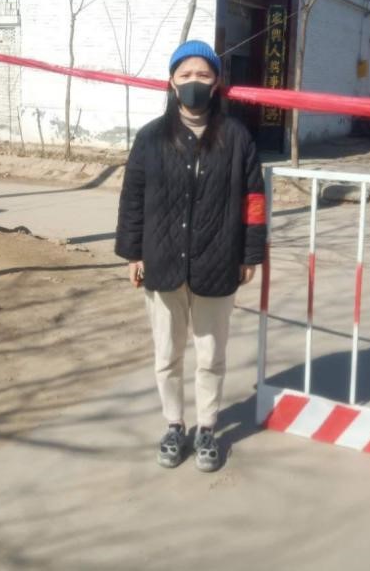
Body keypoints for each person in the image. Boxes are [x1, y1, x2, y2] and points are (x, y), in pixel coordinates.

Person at [115, 40, 266, 472]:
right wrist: (133, 253)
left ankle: (207, 428)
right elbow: (133, 197)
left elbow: (254, 200)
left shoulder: (236, 138)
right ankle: (173, 425)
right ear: (171, 82)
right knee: (167, 355)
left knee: (211, 356)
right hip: (162, 262)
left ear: (216, 82)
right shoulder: (151, 137)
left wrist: (250, 253)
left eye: (203, 74)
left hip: (218, 262)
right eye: (185, 75)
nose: (194, 82)